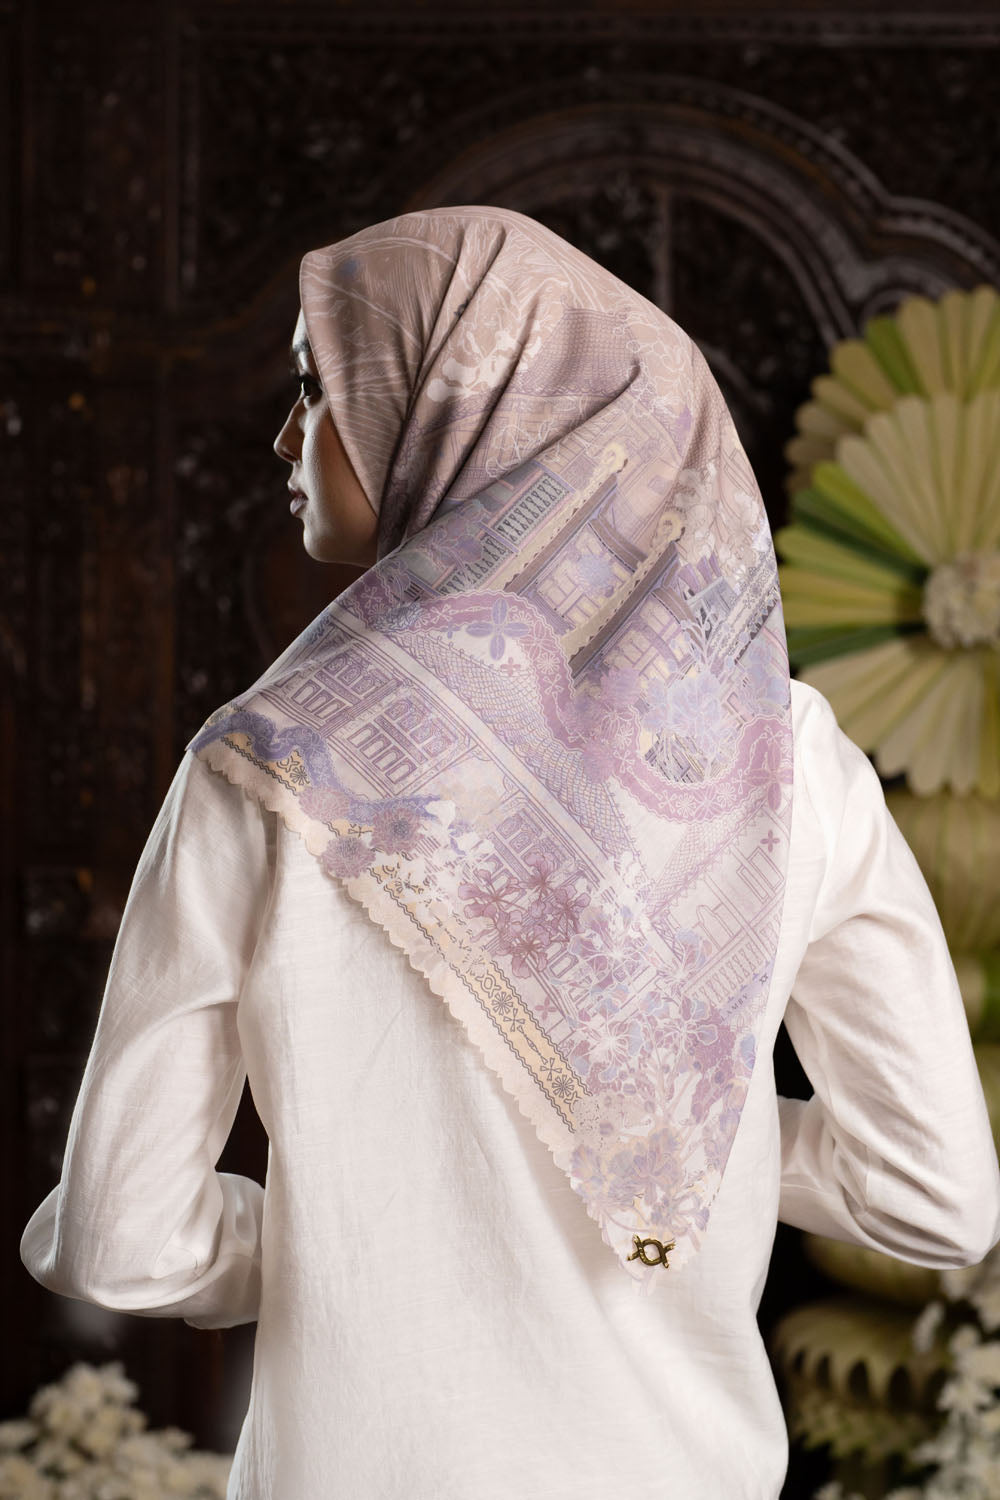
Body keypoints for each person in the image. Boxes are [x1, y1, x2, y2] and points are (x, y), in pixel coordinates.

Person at [20, 207, 1000, 1500]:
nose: (285, 438)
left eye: (317, 387)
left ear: (457, 409)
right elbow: (933, 1196)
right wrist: (660, 1127)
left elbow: (121, 1242)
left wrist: (350, 1230)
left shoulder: (265, 768)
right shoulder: (789, 761)